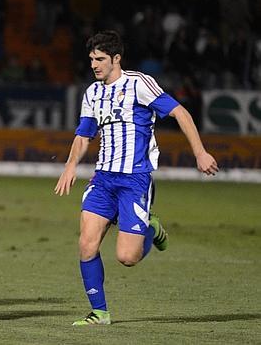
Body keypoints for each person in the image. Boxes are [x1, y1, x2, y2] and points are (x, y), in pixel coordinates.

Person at [54, 30, 219, 326]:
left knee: (127, 258)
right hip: (103, 179)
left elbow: (181, 113)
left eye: (100, 59)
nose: (94, 64)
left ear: (116, 58)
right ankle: (100, 312)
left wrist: (200, 153)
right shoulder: (92, 92)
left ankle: (151, 229)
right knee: (86, 244)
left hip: (135, 180)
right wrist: (70, 166)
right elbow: (84, 134)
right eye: (92, 59)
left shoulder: (138, 84)